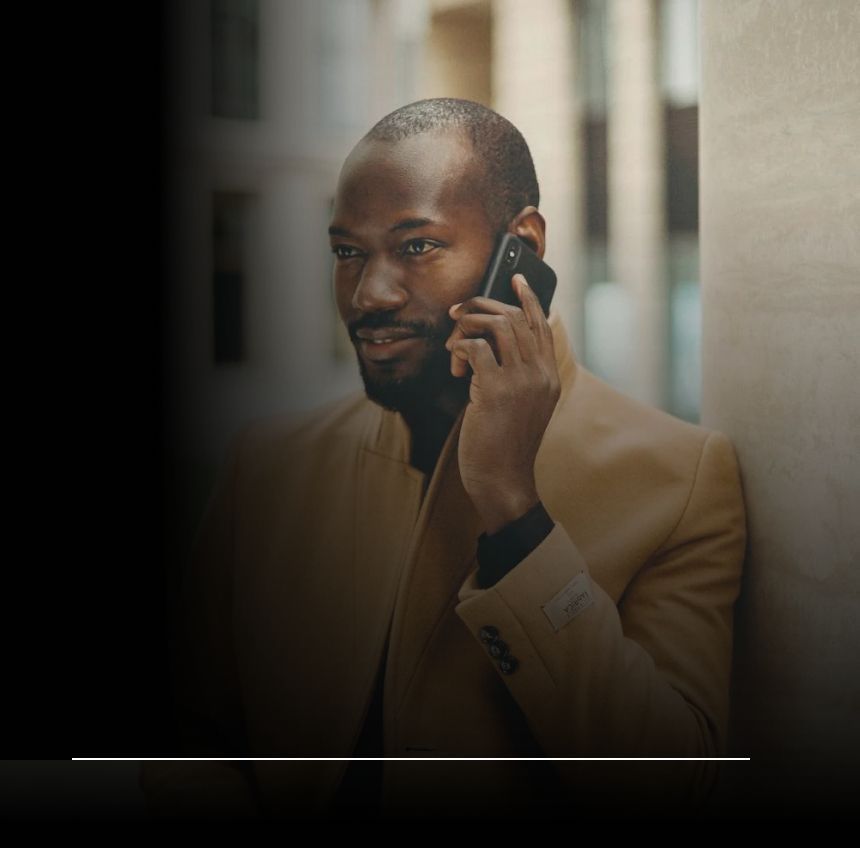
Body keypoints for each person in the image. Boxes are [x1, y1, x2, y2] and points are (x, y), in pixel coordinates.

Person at [140, 98, 746, 821]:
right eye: (347, 252)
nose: (370, 294)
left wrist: (515, 513)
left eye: (417, 246)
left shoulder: (682, 479)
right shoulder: (268, 468)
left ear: (519, 247)